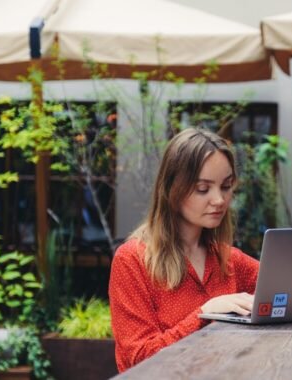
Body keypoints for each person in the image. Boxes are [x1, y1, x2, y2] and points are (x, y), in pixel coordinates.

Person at [109, 128, 259, 373]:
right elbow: (139, 360)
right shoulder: (133, 260)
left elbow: (289, 291)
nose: (219, 200)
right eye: (203, 189)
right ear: (172, 190)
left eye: (226, 186)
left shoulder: (229, 260)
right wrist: (204, 313)